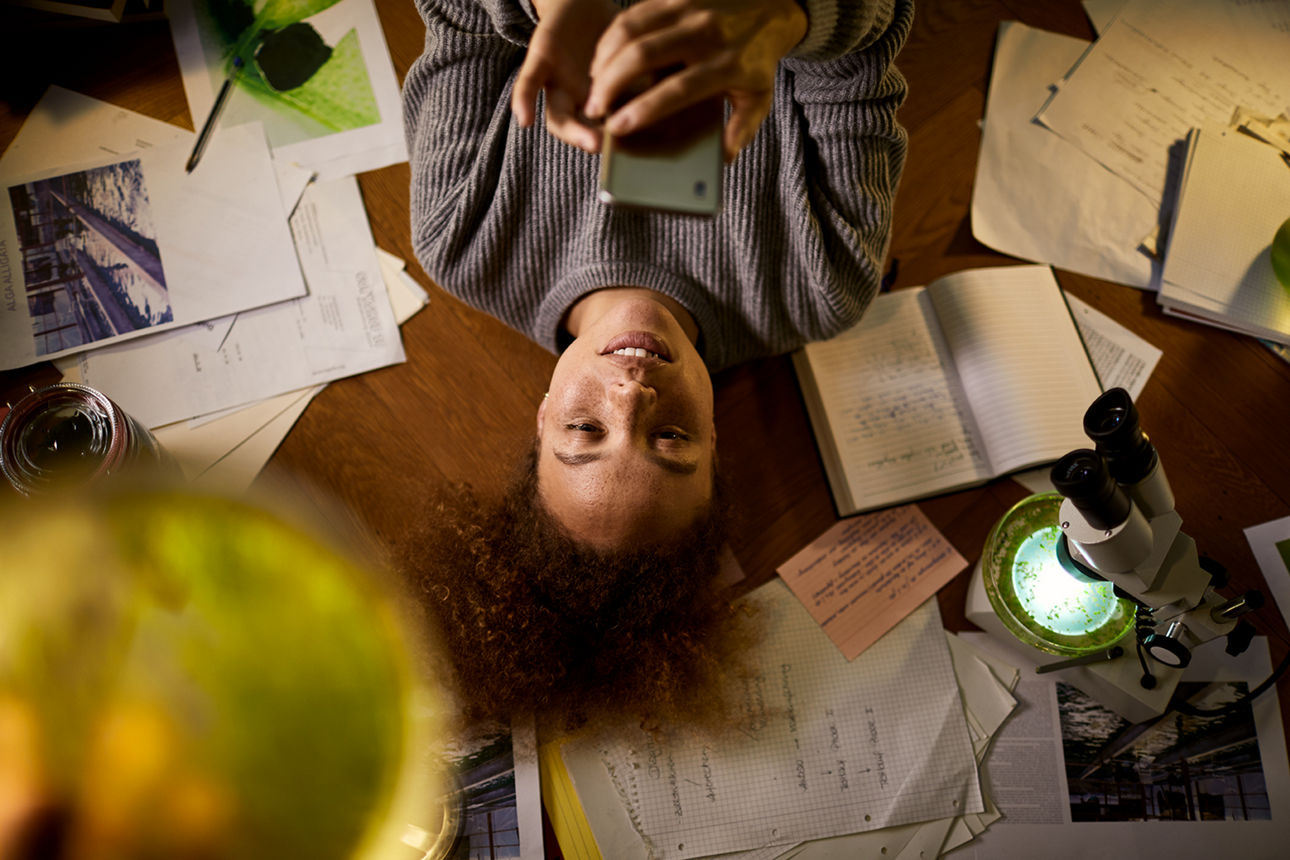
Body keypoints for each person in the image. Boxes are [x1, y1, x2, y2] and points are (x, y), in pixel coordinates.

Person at [401, 0, 911, 726]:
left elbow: (454, 11)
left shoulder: (464, 232)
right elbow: (876, 33)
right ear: (715, 443)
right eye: (670, 442)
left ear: (542, 414)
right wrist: (783, 20)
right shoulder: (820, 279)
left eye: (583, 430)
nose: (631, 398)